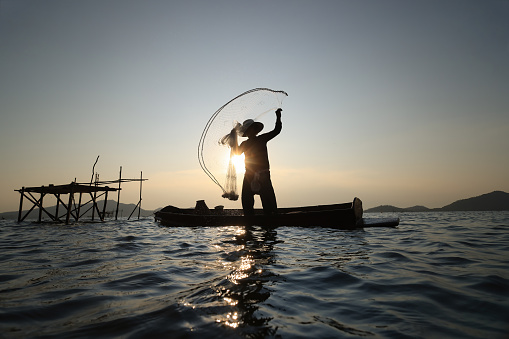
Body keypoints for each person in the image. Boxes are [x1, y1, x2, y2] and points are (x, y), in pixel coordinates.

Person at [231, 108, 282, 216]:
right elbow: (236, 152)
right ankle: (250, 221)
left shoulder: (262, 139)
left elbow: (277, 130)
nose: (252, 131)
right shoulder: (246, 144)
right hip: (249, 175)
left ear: (255, 130)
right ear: (248, 132)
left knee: (268, 203)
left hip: (262, 174)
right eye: (250, 129)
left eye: (253, 129)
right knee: (247, 200)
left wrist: (278, 116)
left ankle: (268, 221)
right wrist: (233, 138)